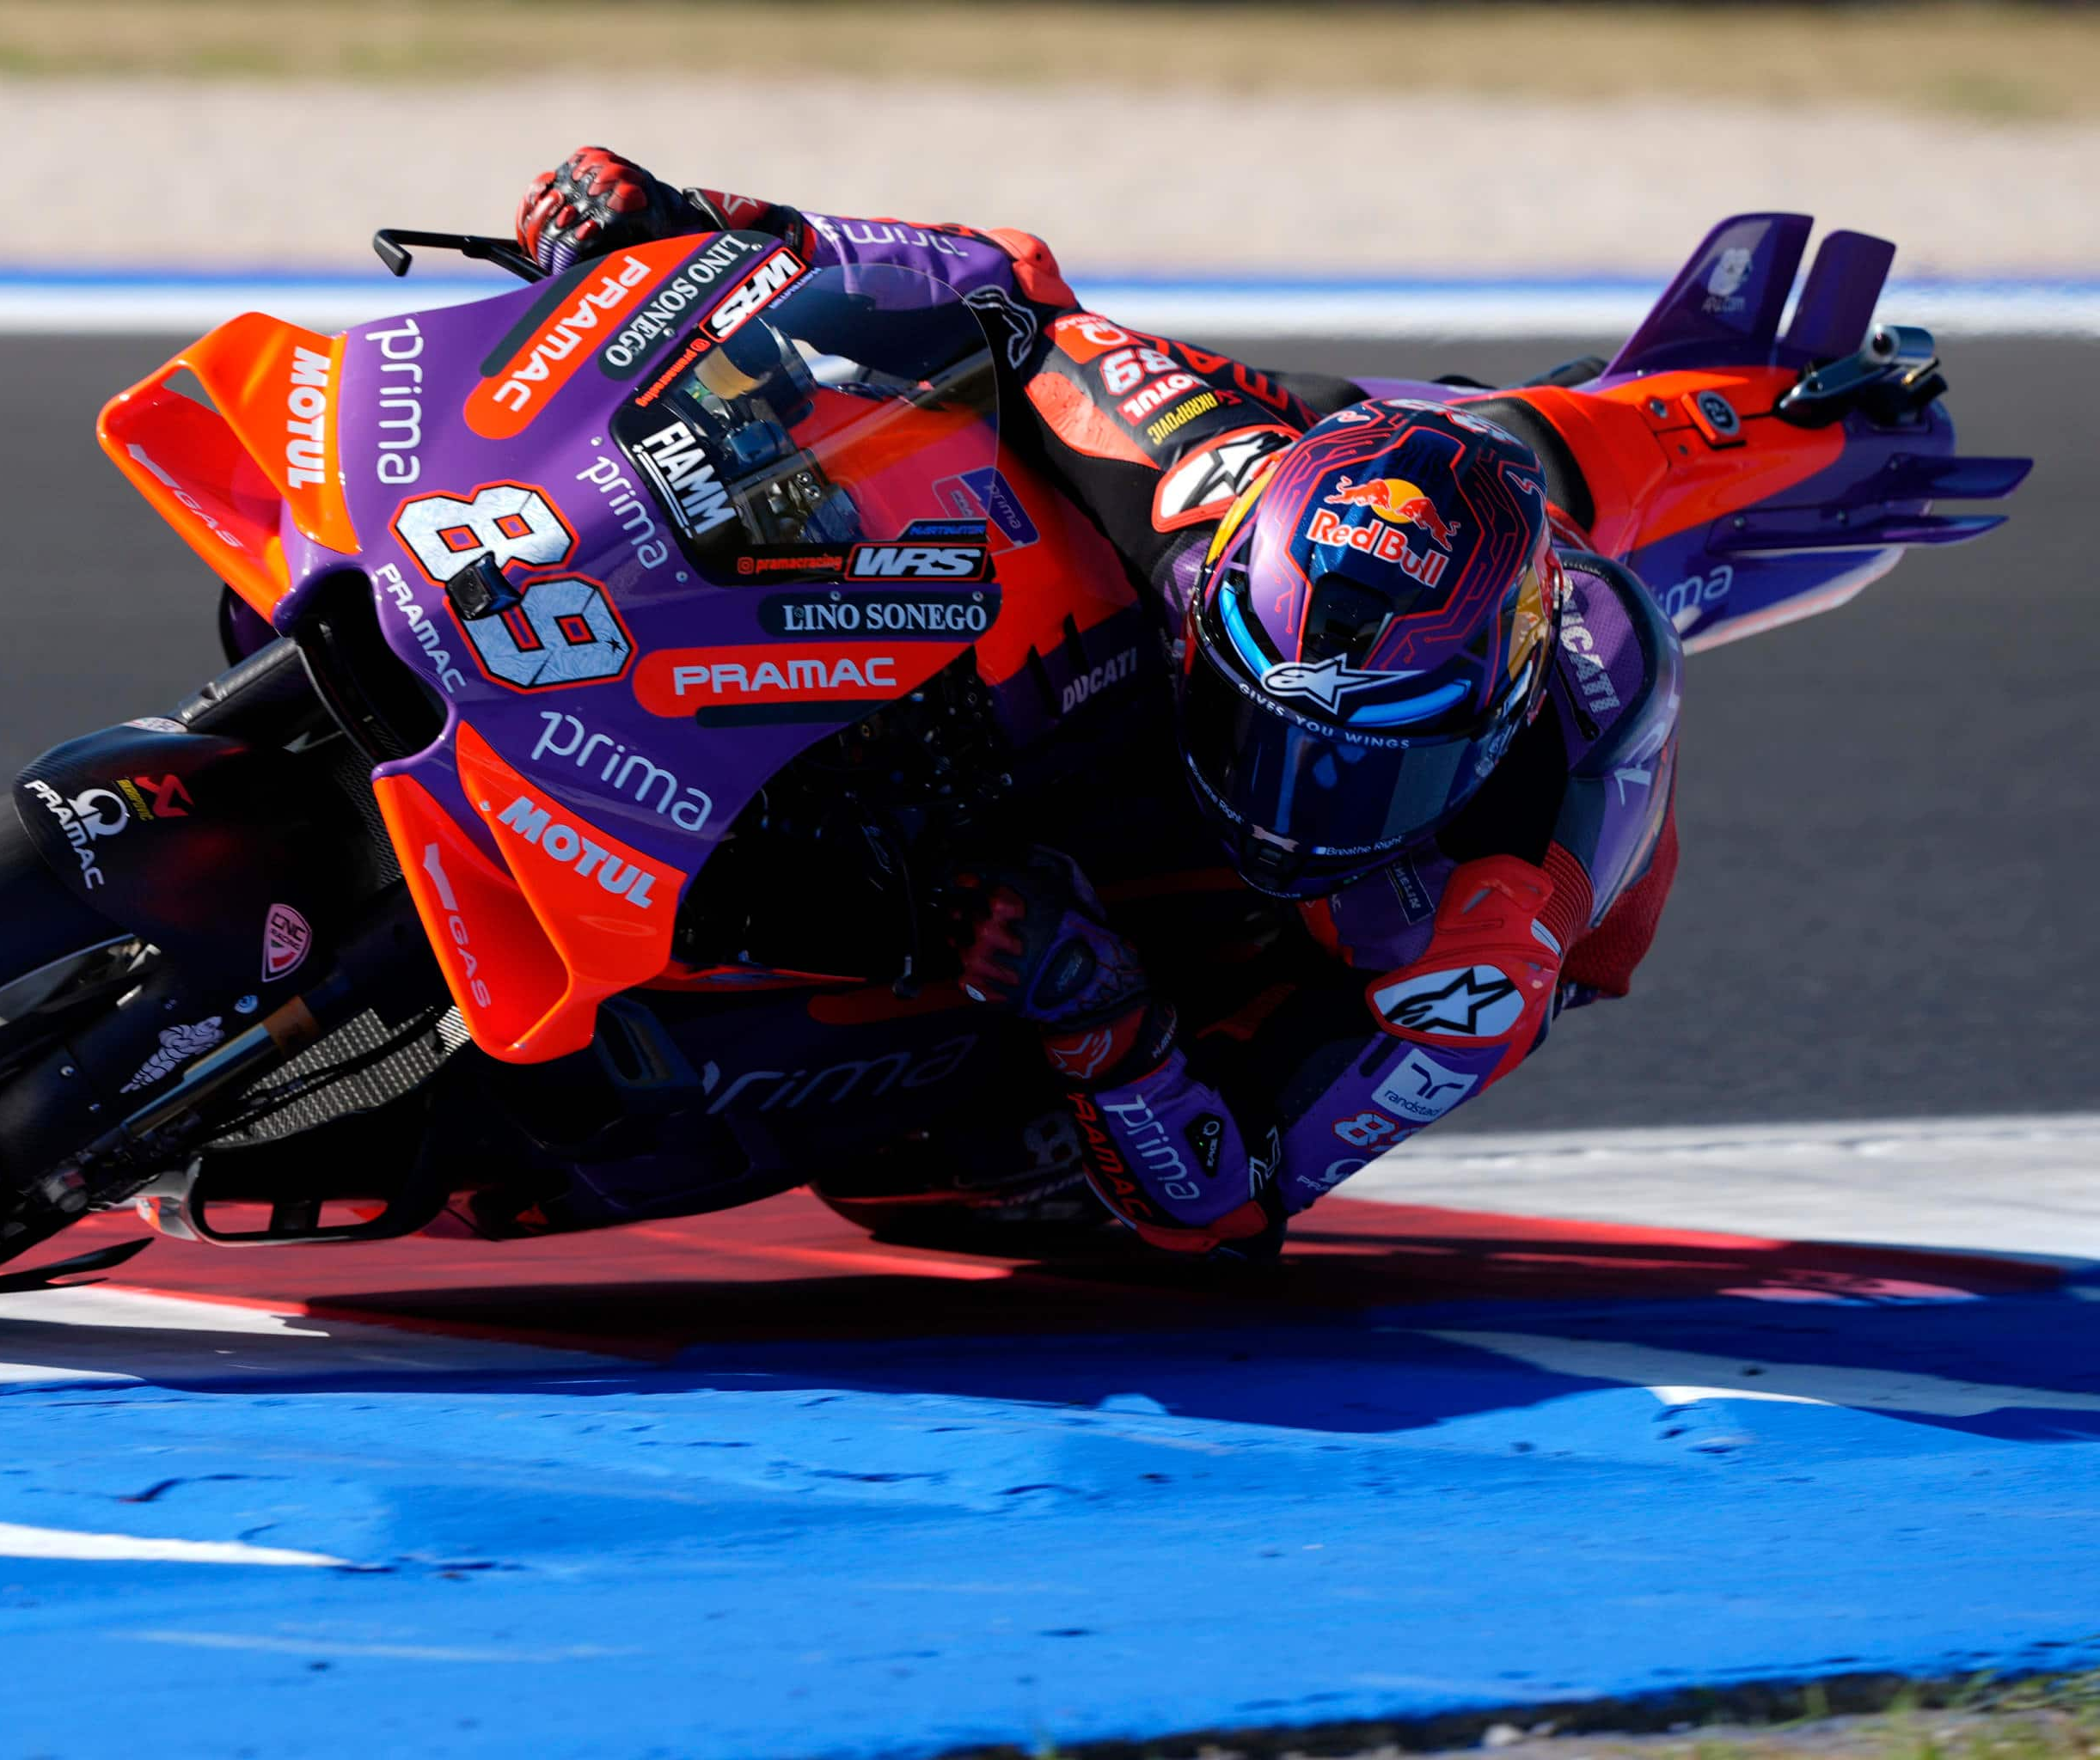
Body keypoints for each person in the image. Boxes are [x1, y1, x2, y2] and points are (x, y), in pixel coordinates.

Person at [516, 148, 1683, 1261]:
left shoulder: (1479, 943)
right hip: (1287, 509)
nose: (1289, 805)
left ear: (1481, 730)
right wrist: (695, 224)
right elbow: (998, 287)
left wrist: (1105, 1020)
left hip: (1357, 920)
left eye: (1367, 764)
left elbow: (1233, 1202)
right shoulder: (1189, 483)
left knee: (977, 1178)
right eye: (1260, 729)